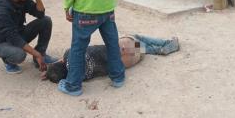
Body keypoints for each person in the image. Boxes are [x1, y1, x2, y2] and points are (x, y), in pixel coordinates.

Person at [45, 35, 180, 83]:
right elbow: (63, 60)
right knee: (137, 38)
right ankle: (165, 45)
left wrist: (53, 75)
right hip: (122, 50)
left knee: (142, 49)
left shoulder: (78, 77)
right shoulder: (69, 54)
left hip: (124, 63)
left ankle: (157, 49)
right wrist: (49, 68)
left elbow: (63, 68)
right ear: (61, 62)